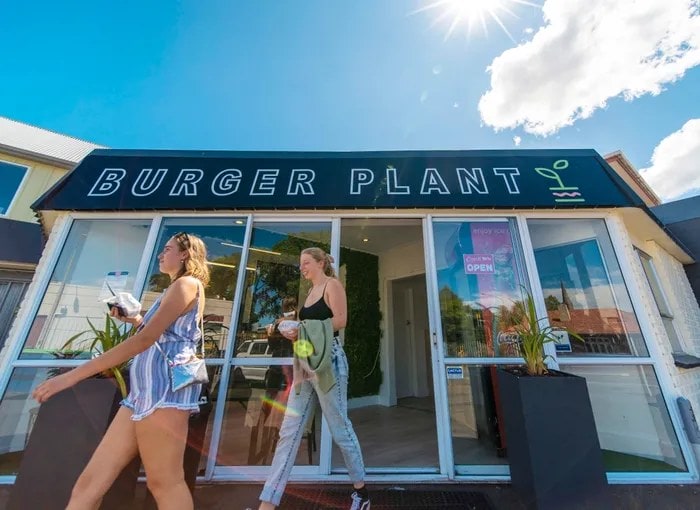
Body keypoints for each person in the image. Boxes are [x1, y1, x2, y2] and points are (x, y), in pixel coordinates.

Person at [32, 232, 210, 510]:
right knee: (90, 483)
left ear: (185, 254)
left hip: (163, 392)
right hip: (140, 394)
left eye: (167, 249)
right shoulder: (173, 289)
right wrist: (135, 319)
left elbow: (144, 341)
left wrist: (72, 376)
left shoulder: (187, 284)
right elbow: (157, 337)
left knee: (165, 483)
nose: (161, 255)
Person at [256, 247, 370, 510]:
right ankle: (267, 503)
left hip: (329, 360)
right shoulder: (308, 294)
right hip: (304, 362)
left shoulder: (333, 285)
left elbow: (341, 320)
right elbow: (307, 329)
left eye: (306, 263)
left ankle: (361, 492)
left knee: (340, 428)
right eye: (300, 264)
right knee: (289, 431)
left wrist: (302, 327)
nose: (302, 268)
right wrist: (291, 330)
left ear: (320, 263)